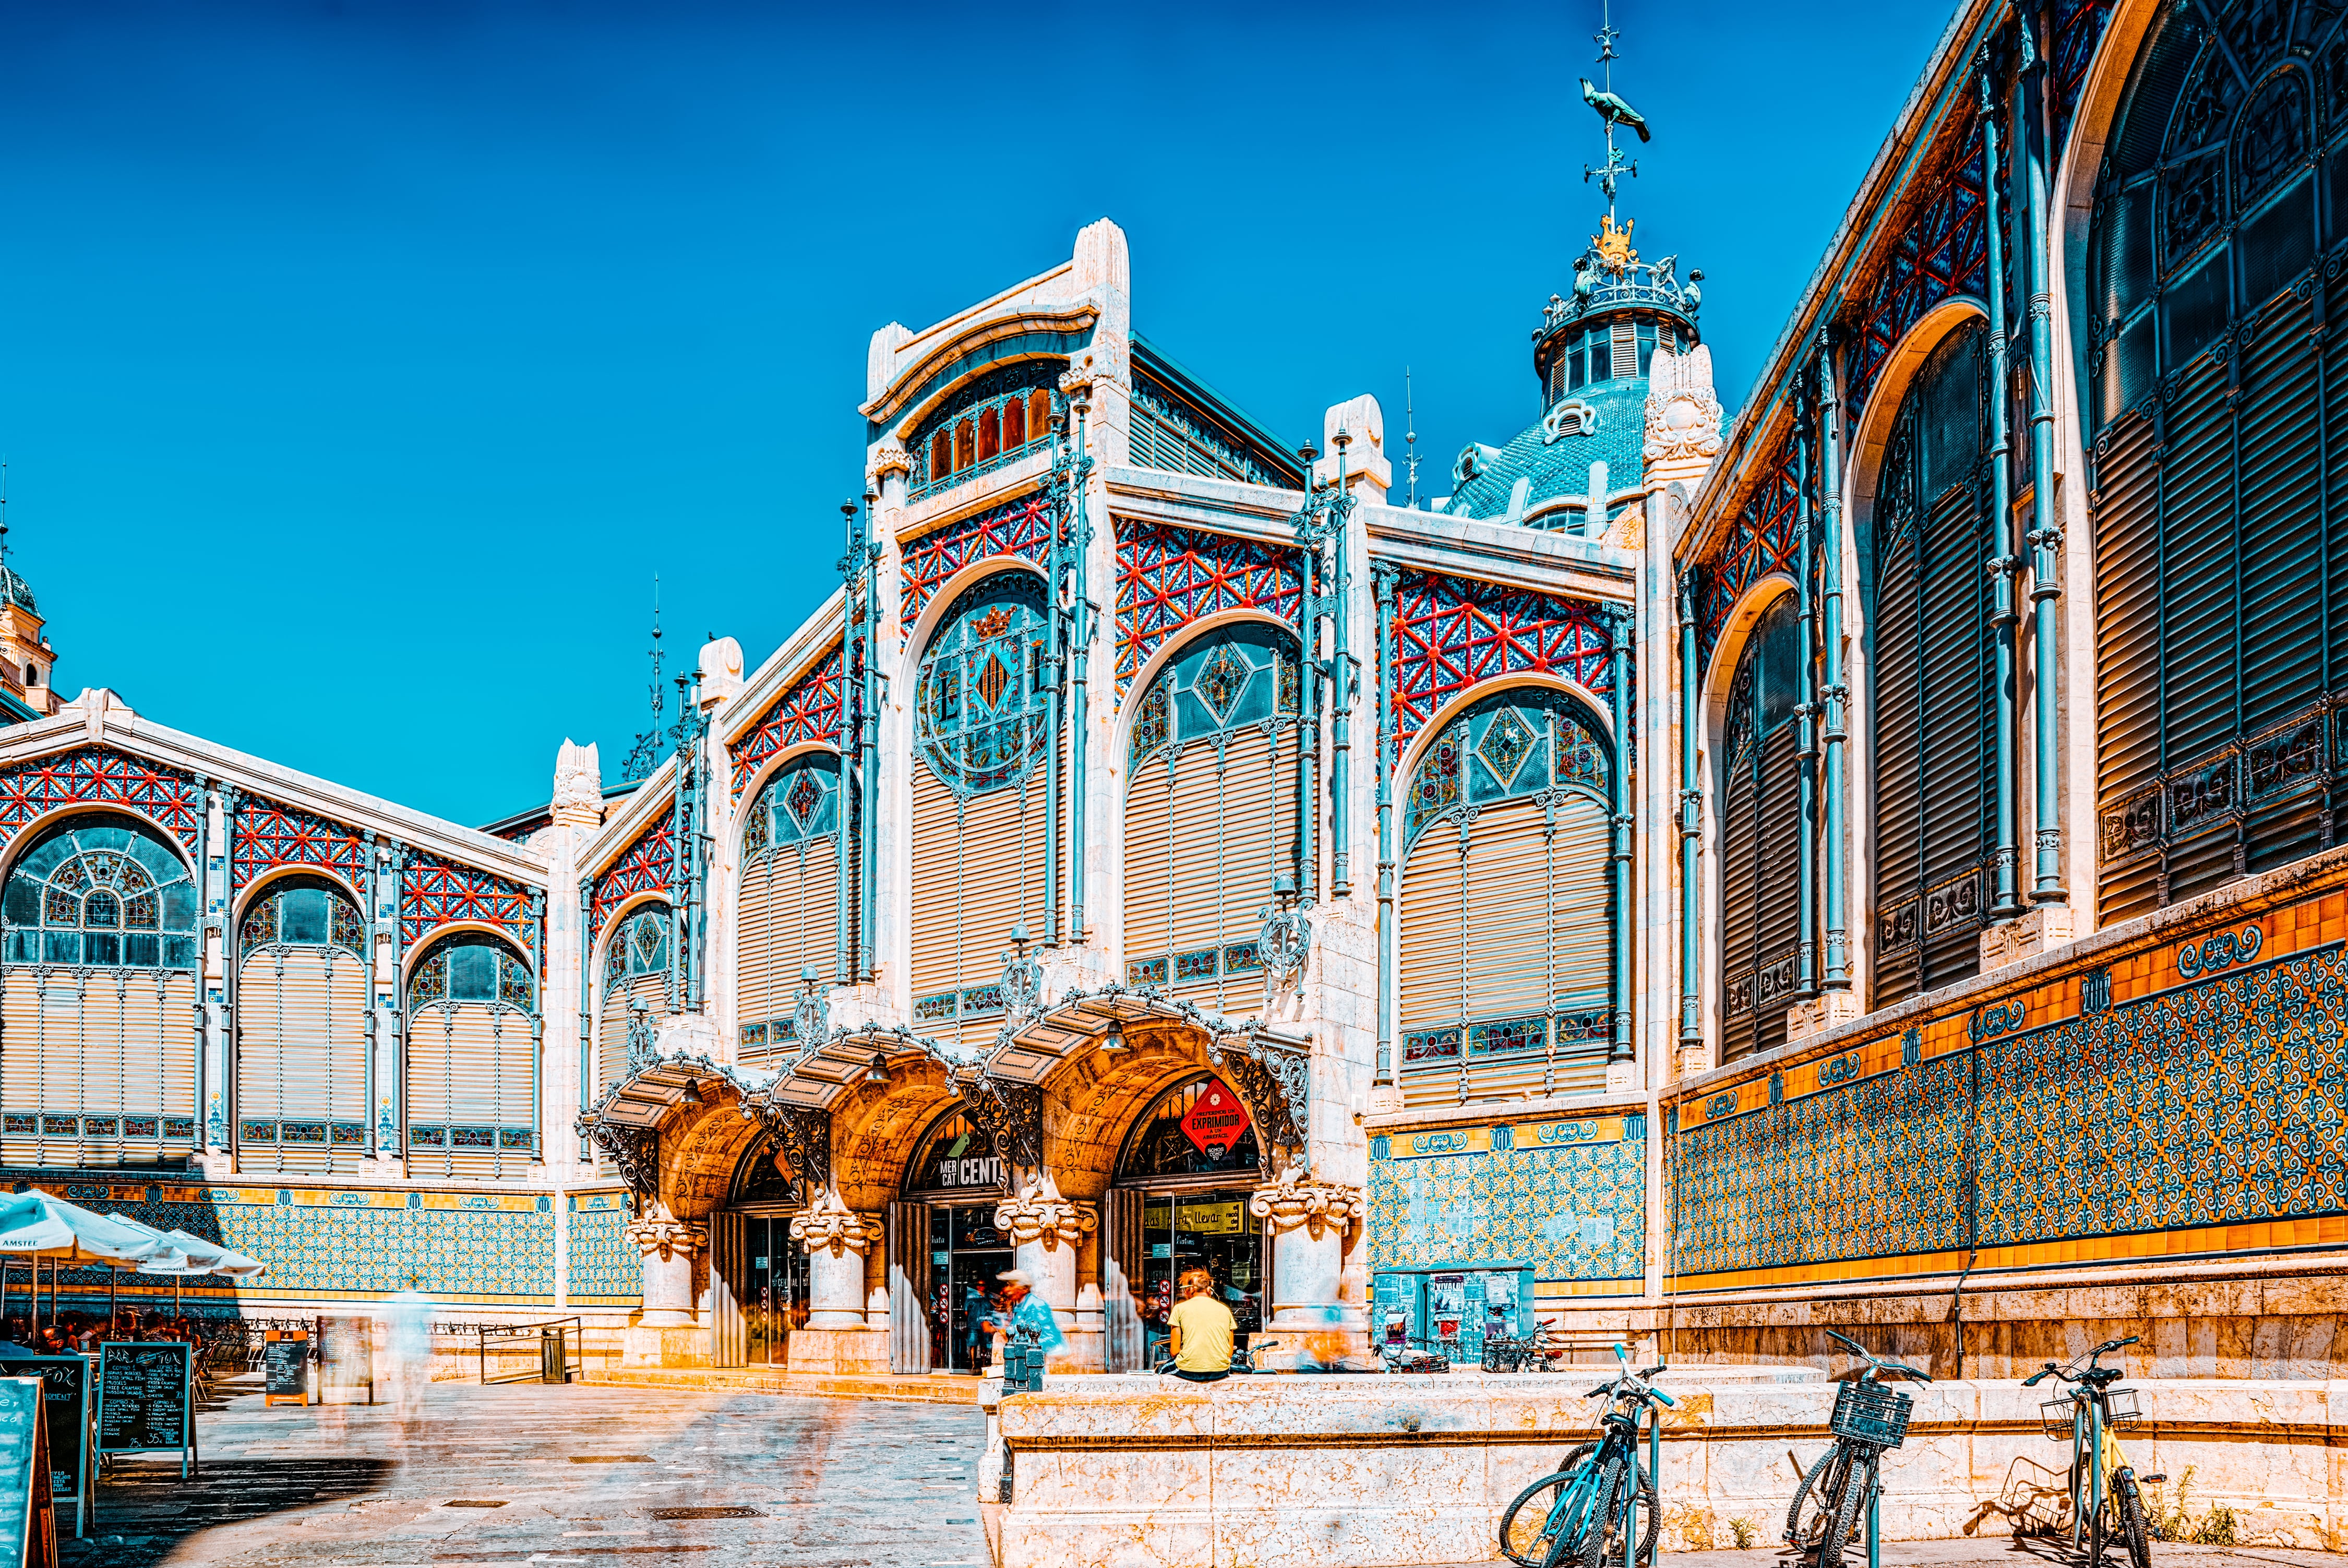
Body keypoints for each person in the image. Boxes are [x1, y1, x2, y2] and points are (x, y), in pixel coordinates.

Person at [1164, 1266, 1234, 1383]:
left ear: (1189, 1290)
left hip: (1188, 1370)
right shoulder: (1225, 1310)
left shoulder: (1179, 1309)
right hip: (1221, 1370)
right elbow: (1229, 1352)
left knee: (1161, 1373)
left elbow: (1174, 1351)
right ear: (1209, 1290)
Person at [994, 1269, 1063, 1367]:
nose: (1007, 1290)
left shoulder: (1037, 1306)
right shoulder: (1019, 1307)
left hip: (1032, 1368)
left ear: (1024, 1289)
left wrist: (1019, 1342)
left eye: (1012, 1285)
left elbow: (1052, 1338)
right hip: (1020, 1366)